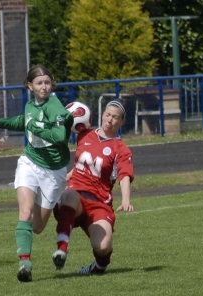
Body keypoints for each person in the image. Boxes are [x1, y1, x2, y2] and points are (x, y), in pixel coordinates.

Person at [0, 65, 73, 282]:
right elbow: (22, 122)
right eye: (39, 83)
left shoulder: (55, 105)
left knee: (38, 227)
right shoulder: (30, 105)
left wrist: (35, 127)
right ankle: (25, 265)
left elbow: (61, 135)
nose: (44, 87)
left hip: (54, 171)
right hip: (29, 162)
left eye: (47, 82)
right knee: (24, 213)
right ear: (29, 85)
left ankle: (58, 209)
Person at [51, 100, 134, 275]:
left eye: (115, 117)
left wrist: (126, 200)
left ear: (121, 122)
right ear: (102, 114)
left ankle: (99, 267)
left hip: (99, 203)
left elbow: (124, 175)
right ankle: (62, 248)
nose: (109, 119)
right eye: (107, 114)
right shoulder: (84, 133)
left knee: (103, 246)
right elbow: (84, 161)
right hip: (75, 198)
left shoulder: (120, 148)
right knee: (69, 195)